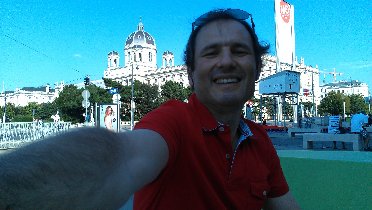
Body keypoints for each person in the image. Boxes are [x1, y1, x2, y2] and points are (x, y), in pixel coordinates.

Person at [0, 8, 300, 209]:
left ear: (258, 69)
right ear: (190, 74)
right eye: (210, 53)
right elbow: (117, 157)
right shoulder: (174, 121)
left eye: (239, 51)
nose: (226, 61)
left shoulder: (260, 142)